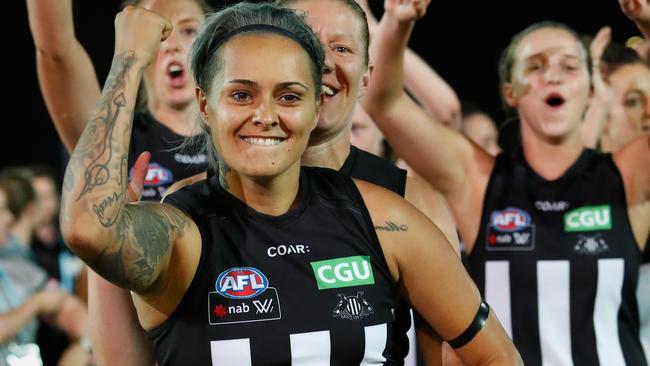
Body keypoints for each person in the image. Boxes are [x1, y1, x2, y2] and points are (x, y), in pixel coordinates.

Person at [60, 3, 521, 365]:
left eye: (289, 96)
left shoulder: (386, 219)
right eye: (241, 94)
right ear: (204, 104)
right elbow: (87, 229)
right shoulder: (182, 228)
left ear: (315, 107)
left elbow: (495, 356)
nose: (266, 115)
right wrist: (128, 59)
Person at [363, 3, 650, 362]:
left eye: (569, 66)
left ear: (593, 90)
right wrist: (397, 21)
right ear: (510, 93)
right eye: (535, 66)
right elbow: (383, 102)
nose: (553, 76)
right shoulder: (479, 180)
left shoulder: (629, 176)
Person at [26, 0, 210, 363]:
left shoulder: (244, 139)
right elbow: (57, 50)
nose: (171, 43)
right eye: (157, 33)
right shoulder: (114, 141)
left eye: (188, 30)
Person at [0, 176, 91, 366]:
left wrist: (86, 343)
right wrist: (34, 305)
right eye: (1, 211)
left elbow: (66, 306)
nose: (9, 218)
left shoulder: (16, 265)